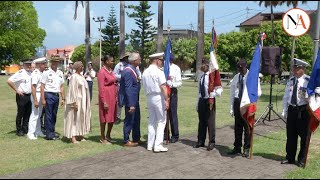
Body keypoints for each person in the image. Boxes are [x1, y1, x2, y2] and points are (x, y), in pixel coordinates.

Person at [229, 58, 261, 157]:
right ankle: (237, 147)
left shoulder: (252, 77)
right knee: (238, 127)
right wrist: (231, 107)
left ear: (246, 67)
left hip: (247, 103)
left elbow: (259, 92)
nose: (240, 71)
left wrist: (251, 99)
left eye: (241, 69)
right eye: (238, 69)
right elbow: (232, 93)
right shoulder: (236, 77)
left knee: (247, 127)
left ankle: (246, 148)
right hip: (237, 102)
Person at [281, 58, 310, 168]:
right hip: (292, 110)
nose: (294, 70)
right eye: (294, 68)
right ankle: (290, 157)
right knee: (291, 135)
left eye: (297, 68)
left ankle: (302, 159)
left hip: (303, 111)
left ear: (302, 68)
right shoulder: (291, 80)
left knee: (304, 137)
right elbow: (286, 97)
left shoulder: (308, 81)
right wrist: (284, 110)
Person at [142, 52, 169, 152]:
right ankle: (158, 145)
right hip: (158, 96)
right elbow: (163, 86)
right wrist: (166, 100)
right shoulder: (158, 72)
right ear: (157, 60)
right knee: (161, 121)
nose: (162, 62)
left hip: (149, 97)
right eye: (161, 60)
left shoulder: (145, 72)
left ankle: (150, 144)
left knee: (151, 121)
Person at [193, 59, 223, 151]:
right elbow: (199, 91)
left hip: (210, 100)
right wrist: (197, 103)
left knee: (210, 122)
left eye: (203, 65)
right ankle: (200, 141)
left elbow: (220, 89)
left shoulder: (212, 75)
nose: (201, 67)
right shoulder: (201, 76)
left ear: (207, 65)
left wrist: (214, 94)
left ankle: (211, 142)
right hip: (202, 100)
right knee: (201, 122)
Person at [64, 61, 91, 144]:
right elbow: (72, 90)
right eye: (81, 66)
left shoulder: (82, 76)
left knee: (81, 117)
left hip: (83, 100)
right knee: (74, 118)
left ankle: (80, 134)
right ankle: (73, 137)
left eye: (83, 66)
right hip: (76, 100)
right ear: (78, 67)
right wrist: (73, 102)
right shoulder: (74, 77)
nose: (82, 67)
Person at [119, 52, 142, 147]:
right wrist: (131, 104)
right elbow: (128, 88)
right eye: (139, 59)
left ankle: (136, 138)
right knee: (129, 120)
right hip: (130, 100)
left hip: (135, 99)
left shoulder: (133, 69)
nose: (140, 60)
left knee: (136, 119)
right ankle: (126, 140)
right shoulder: (128, 71)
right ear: (134, 61)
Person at [40, 56, 65, 140]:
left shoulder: (60, 73)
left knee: (54, 115)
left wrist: (63, 98)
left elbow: (61, 86)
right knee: (48, 115)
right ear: (51, 62)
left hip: (56, 95)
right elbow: (42, 86)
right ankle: (49, 135)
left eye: (57, 62)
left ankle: (52, 132)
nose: (55, 63)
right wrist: (43, 99)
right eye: (54, 62)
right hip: (49, 94)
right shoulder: (46, 72)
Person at [7, 59, 33, 136]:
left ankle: (25, 128)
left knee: (28, 113)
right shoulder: (20, 73)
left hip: (29, 95)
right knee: (20, 113)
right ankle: (19, 130)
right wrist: (16, 90)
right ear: (23, 65)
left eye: (29, 64)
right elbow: (9, 81)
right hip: (22, 96)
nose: (28, 65)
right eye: (27, 64)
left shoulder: (30, 73)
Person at [97, 55, 117, 144]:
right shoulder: (101, 72)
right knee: (104, 117)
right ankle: (102, 137)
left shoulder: (111, 71)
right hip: (106, 97)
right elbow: (101, 88)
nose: (112, 62)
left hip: (113, 97)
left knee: (111, 116)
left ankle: (108, 135)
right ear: (106, 62)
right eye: (111, 61)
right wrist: (103, 101)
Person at [27, 57, 47, 140]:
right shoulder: (35, 73)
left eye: (44, 64)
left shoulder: (41, 73)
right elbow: (33, 87)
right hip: (36, 94)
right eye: (43, 64)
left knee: (39, 114)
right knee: (34, 114)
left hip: (41, 94)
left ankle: (38, 131)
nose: (45, 65)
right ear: (38, 65)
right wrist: (35, 99)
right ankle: (30, 133)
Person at [164, 54, 182, 143]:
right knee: (163, 113)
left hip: (172, 91)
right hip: (163, 92)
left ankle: (175, 135)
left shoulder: (176, 68)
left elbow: (179, 82)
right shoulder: (162, 67)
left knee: (172, 114)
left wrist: (171, 84)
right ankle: (165, 133)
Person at [113, 52, 130, 124]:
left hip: (129, 86)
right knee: (120, 102)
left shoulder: (131, 65)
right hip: (121, 85)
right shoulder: (119, 65)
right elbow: (114, 75)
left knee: (128, 101)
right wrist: (122, 77)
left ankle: (128, 116)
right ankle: (118, 117)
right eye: (127, 57)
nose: (128, 58)